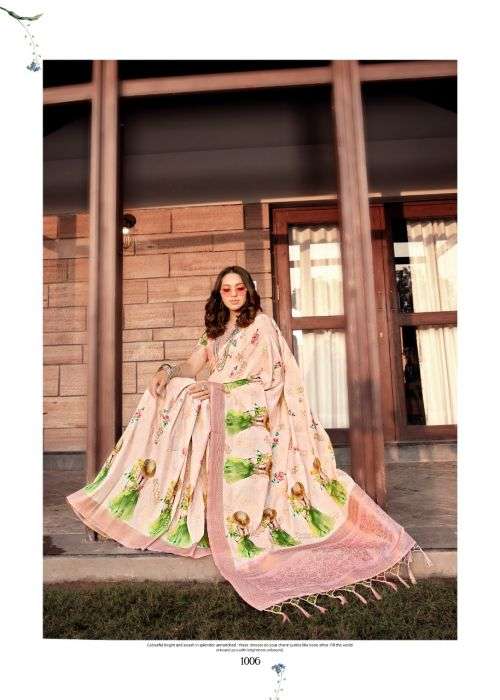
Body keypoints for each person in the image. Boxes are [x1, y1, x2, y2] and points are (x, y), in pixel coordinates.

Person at [67, 265, 432, 622]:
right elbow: (192, 365)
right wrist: (166, 371)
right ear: (218, 294)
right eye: (226, 289)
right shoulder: (215, 330)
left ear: (249, 290)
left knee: (198, 404)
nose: (233, 295)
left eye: (239, 288)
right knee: (173, 391)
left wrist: (219, 390)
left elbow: (270, 381)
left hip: (247, 415)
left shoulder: (261, 325)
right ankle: (162, 499)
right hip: (216, 408)